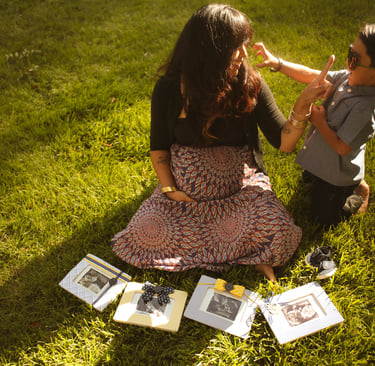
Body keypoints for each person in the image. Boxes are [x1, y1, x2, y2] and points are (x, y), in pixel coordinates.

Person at [110, 4, 331, 281]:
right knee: (143, 232)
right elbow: (159, 148)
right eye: (235, 46)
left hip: (239, 197)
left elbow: (284, 143)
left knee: (281, 230)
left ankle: (244, 253)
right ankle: (246, 253)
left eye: (244, 45)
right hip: (184, 200)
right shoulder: (169, 87)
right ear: (209, 50)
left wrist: (301, 106)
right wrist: (170, 190)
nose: (243, 54)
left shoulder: (250, 83)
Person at [254, 24, 375, 226]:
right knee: (310, 183)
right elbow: (313, 75)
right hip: (322, 160)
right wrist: (277, 63)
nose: (348, 62)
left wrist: (319, 121)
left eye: (355, 59)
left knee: (321, 219)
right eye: (349, 53)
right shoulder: (346, 78)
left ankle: (356, 193)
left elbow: (342, 146)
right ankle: (326, 179)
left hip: (337, 175)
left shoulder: (364, 108)